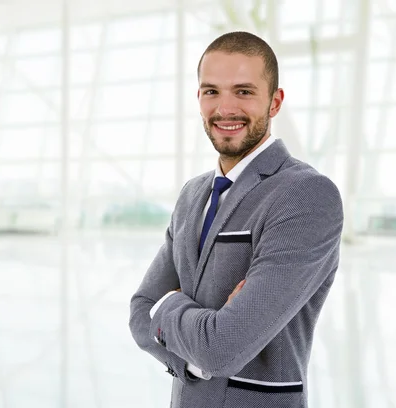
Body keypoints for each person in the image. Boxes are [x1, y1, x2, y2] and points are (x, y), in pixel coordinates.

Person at [128, 31, 343, 408]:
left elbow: (223, 347)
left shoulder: (306, 195)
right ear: (198, 98)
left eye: (243, 91)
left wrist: (168, 308)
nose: (225, 108)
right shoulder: (192, 195)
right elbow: (139, 311)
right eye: (212, 91)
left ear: (275, 102)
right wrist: (194, 361)